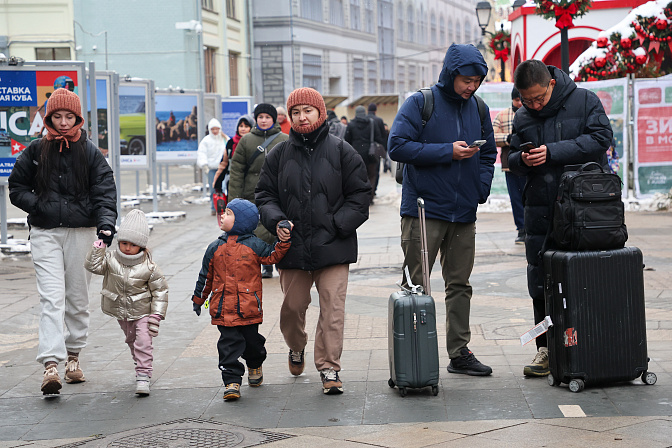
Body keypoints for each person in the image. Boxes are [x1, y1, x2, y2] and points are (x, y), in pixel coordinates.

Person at [388, 44, 496, 376]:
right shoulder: (421, 103)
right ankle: (413, 350)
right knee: (416, 286)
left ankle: (459, 351)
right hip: (424, 210)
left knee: (459, 284)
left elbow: (489, 153)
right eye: (466, 80)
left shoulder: (478, 108)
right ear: (451, 74)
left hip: (463, 212)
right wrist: (446, 152)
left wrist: (480, 189)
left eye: (477, 81)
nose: (471, 86)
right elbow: (397, 146)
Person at [255, 87, 371, 395]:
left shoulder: (342, 151)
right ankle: (296, 346)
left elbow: (361, 194)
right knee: (293, 308)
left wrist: (337, 224)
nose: (302, 117)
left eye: (308, 110)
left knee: (333, 309)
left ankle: (329, 366)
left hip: (334, 245)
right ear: (289, 118)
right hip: (292, 247)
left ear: (320, 113)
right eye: (295, 112)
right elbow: (264, 195)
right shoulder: (278, 154)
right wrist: (277, 220)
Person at [8, 88, 118, 395]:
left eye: (70, 116)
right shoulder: (35, 150)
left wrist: (106, 226)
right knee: (51, 298)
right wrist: (39, 205)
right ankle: (51, 365)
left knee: (77, 299)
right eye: (57, 116)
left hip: (82, 231)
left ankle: (73, 358)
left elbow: (105, 192)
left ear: (78, 118)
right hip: (45, 232)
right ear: (48, 117)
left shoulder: (90, 151)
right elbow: (16, 187)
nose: (64, 122)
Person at [508, 59, 613, 377]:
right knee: (540, 282)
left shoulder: (584, 100)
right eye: (527, 100)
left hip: (585, 208)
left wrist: (552, 152)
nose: (533, 105)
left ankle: (593, 344)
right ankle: (544, 347)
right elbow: (511, 156)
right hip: (540, 209)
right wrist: (523, 158)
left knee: (589, 276)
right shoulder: (523, 115)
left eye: (538, 98)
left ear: (551, 83)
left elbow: (600, 139)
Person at [191, 199, 292, 401]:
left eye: (228, 213)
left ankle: (255, 363)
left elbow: (272, 256)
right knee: (228, 345)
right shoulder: (215, 248)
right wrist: (198, 299)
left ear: (241, 221)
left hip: (248, 308)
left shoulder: (254, 245)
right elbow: (205, 276)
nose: (222, 215)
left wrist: (284, 242)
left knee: (251, 343)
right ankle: (231, 381)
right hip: (223, 309)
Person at [84, 209, 168, 396]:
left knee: (143, 341)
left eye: (133, 244)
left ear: (142, 246)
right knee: (132, 341)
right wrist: (100, 245)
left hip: (143, 311)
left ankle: (143, 375)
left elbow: (160, 291)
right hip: (121, 311)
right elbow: (93, 266)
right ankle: (140, 364)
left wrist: (156, 314)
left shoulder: (149, 267)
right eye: (123, 243)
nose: (127, 248)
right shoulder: (111, 259)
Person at [228, 104, 288, 279]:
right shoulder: (246, 141)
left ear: (273, 119)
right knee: (256, 228)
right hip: (251, 193)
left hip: (278, 192)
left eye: (267, 117)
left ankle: (279, 261)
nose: (263, 120)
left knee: (277, 225)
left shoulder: (284, 139)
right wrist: (234, 200)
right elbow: (237, 171)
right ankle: (264, 262)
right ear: (256, 119)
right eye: (260, 117)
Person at [492, 86, 526, 244]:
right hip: (510, 164)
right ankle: (521, 229)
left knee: (531, 197)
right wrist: (508, 138)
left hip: (530, 162)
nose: (520, 103)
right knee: (516, 198)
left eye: (521, 99)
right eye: (517, 100)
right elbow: (491, 136)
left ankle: (533, 228)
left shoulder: (531, 111)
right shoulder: (503, 114)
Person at [344, 105, 384, 203]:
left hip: (356, 154)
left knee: (358, 176)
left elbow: (347, 140)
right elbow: (378, 138)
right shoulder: (372, 123)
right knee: (371, 176)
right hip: (370, 154)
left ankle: (360, 198)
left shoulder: (351, 124)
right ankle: (370, 197)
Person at [213, 114, 254, 198]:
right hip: (232, 180)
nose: (243, 129)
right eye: (241, 126)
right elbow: (224, 163)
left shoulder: (254, 142)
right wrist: (218, 183)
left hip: (250, 181)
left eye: (246, 126)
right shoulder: (231, 142)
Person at [197, 118, 228, 215]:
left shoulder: (224, 139)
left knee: (223, 188)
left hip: (223, 169)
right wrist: (204, 164)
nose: (215, 131)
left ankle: (223, 206)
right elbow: (202, 153)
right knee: (213, 189)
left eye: (217, 129)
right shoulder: (206, 141)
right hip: (211, 169)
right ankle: (213, 207)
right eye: (213, 129)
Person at [367, 103, 387, 197]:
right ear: (375, 110)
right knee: (375, 171)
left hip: (364, 149)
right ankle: (373, 190)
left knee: (366, 172)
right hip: (375, 150)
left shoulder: (364, 119)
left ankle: (367, 191)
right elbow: (383, 136)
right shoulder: (379, 120)